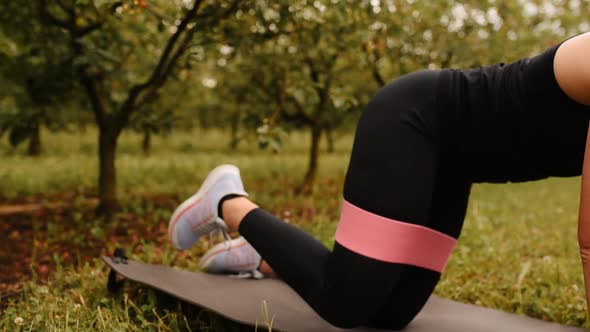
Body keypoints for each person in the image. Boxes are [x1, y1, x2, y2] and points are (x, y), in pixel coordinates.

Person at [168, 32, 590, 329]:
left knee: (391, 315)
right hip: (417, 120)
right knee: (345, 303)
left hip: (455, 163)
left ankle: (263, 258)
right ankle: (228, 202)